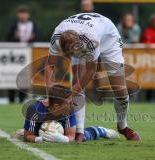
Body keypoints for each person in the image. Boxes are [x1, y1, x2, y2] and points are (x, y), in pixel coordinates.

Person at [47, 13, 141, 142]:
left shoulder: (91, 41)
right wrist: (49, 94)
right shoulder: (56, 37)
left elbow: (91, 71)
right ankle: (79, 132)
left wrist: (69, 95)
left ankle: (123, 126)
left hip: (108, 37)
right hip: (84, 32)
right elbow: (50, 67)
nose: (73, 56)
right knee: (76, 80)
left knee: (119, 89)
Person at [14, 85, 119, 143]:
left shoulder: (69, 110)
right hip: (40, 131)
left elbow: (71, 135)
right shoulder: (34, 110)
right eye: (68, 103)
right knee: (22, 134)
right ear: (56, 107)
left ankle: (101, 131)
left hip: (64, 131)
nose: (72, 105)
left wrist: (63, 139)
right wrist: (39, 139)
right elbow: (28, 136)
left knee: (82, 137)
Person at [6, 5, 38, 103]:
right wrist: (15, 38)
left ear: (28, 15)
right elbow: (7, 40)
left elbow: (37, 39)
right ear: (18, 15)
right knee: (12, 77)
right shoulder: (13, 26)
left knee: (24, 78)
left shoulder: (33, 25)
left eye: (25, 13)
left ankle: (21, 99)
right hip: (15, 56)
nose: (23, 16)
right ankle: (11, 99)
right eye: (21, 13)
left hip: (27, 55)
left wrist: (33, 38)